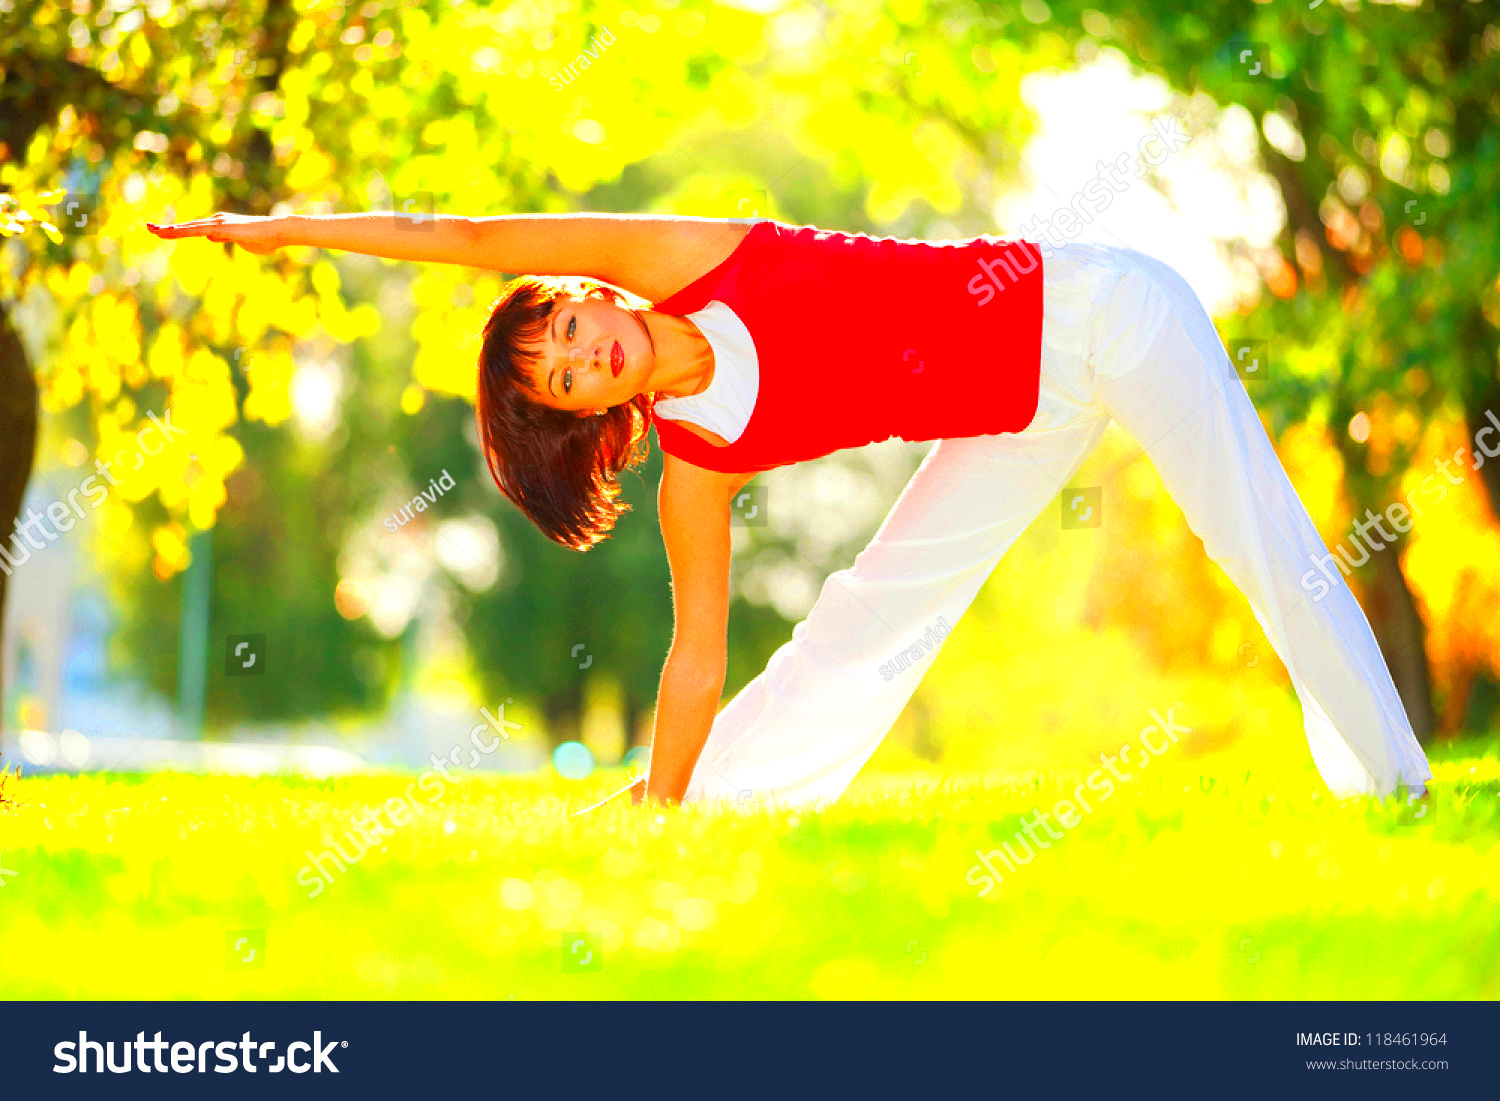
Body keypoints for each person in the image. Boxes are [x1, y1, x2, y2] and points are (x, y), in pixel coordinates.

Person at [147, 211, 1434, 812]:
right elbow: (694, 658)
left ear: (582, 294)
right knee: (863, 617)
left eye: (564, 326)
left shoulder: (681, 260)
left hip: (1101, 309)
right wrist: (657, 806)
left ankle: (1396, 782)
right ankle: (707, 814)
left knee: (1253, 541)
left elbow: (475, 232)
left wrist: (289, 229)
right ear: (580, 418)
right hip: (1020, 406)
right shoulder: (697, 464)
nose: (582, 353)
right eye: (558, 379)